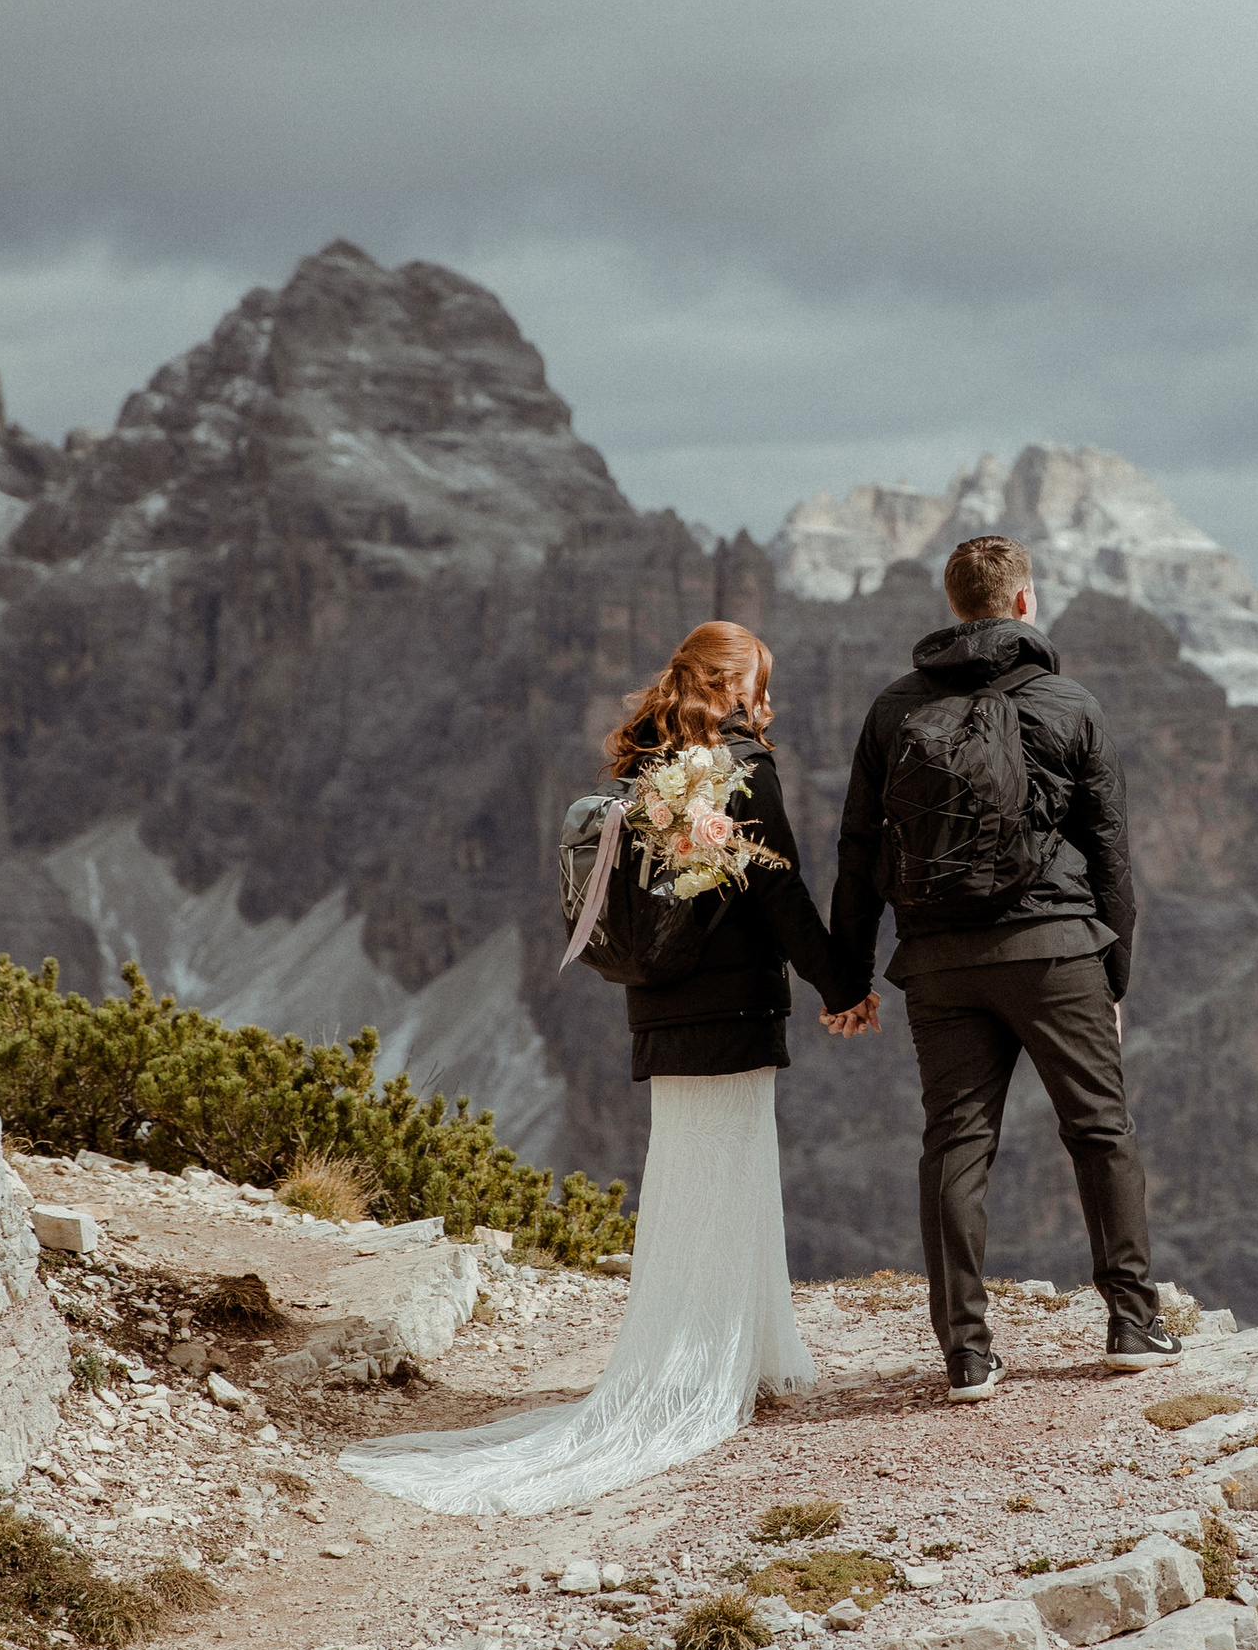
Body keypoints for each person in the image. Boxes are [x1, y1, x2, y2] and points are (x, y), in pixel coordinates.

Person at [341, 621, 878, 1514]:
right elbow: (779, 894)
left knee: (689, 1174)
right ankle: (711, 1368)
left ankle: (727, 1352)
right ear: (737, 685)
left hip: (662, 1008)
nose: (766, 700)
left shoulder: (642, 772)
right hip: (736, 1010)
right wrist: (842, 986)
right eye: (760, 683)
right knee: (735, 1169)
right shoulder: (739, 769)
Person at [827, 533, 1168, 1401]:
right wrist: (1112, 974)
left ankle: (968, 1354)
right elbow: (1111, 857)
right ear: (1024, 602)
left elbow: (859, 850)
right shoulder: (1071, 704)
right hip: (1057, 952)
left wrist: (848, 978)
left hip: (937, 964)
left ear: (952, 605)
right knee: (1099, 1131)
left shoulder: (892, 710)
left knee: (956, 1144)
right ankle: (1132, 1322)